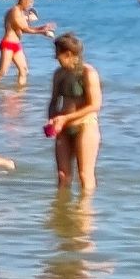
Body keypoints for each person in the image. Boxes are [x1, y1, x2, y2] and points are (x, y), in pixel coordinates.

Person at [44, 32, 102, 191]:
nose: (55, 57)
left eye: (57, 53)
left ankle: (84, 213)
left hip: (85, 126)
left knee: (85, 174)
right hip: (63, 128)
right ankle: (62, 213)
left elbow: (95, 105)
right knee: (63, 175)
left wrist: (65, 118)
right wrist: (52, 118)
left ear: (68, 54)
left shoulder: (88, 73)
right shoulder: (59, 74)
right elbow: (54, 101)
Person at [0, 0, 53, 88]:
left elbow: (24, 29)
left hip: (16, 45)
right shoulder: (14, 11)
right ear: (23, 0)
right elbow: (24, 28)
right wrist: (42, 32)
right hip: (8, 44)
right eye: (30, 2)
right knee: (2, 71)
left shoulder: (21, 13)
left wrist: (42, 28)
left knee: (24, 70)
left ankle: (20, 93)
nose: (31, 4)